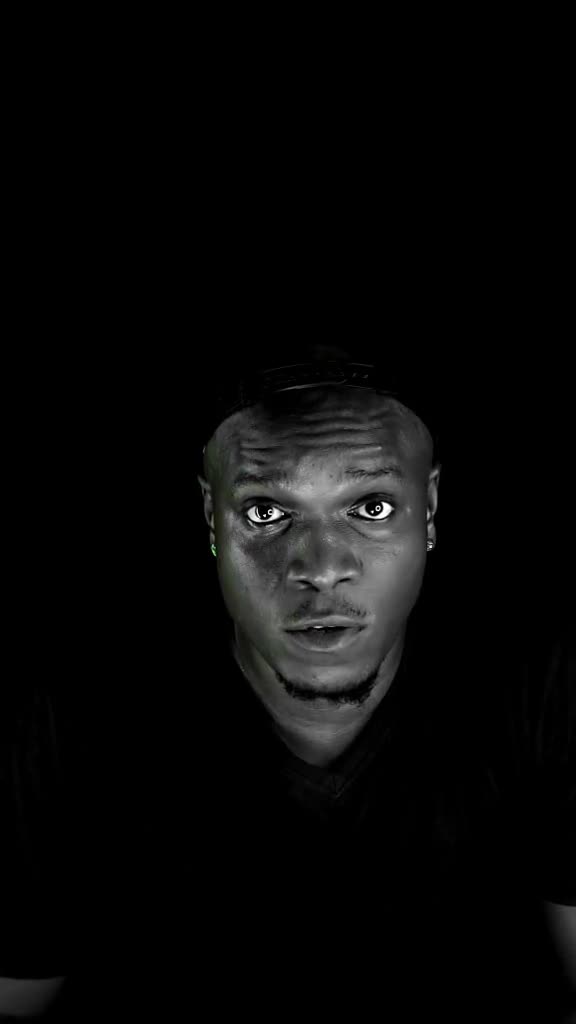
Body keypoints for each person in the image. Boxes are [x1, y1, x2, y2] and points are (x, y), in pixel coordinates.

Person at [192, 343, 575, 1022]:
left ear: (429, 511)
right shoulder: (81, 723)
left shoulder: (541, 692)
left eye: (369, 507)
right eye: (265, 513)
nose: (321, 568)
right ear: (210, 519)